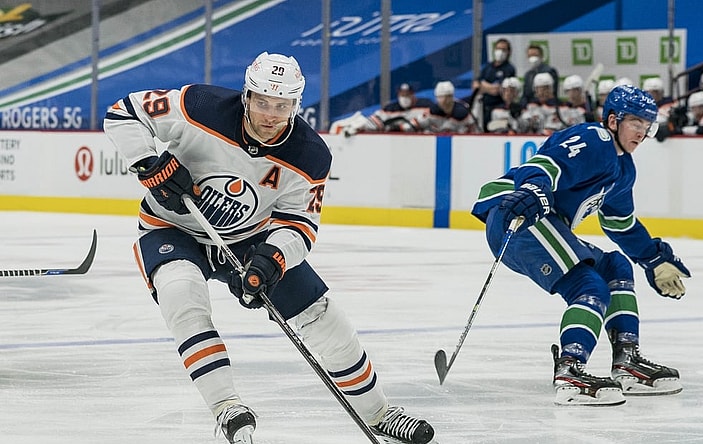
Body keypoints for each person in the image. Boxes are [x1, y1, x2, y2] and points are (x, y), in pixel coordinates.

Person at [103, 52, 435, 444]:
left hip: (249, 238)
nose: (270, 115)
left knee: (323, 317)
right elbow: (122, 112)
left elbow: (300, 223)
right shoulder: (199, 105)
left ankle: (380, 412)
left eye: (282, 105)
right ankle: (227, 406)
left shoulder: (310, 155)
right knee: (181, 294)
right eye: (262, 102)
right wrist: (150, 163)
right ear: (246, 96)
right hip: (172, 227)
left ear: (297, 104)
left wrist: (273, 258)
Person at [470, 85, 690, 406]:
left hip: (547, 221)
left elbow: (621, 225)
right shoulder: (595, 139)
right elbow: (545, 164)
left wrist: (654, 259)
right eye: (636, 124)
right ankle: (571, 370)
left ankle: (626, 360)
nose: (642, 133)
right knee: (588, 286)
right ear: (613, 121)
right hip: (519, 214)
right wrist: (536, 188)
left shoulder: (624, 169)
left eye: (647, 126)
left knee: (615, 266)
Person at [334, 82, 433, 136]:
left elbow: (429, 120)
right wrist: (359, 126)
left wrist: (402, 127)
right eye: (402, 95)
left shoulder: (425, 105)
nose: (404, 98)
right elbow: (376, 120)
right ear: (398, 95)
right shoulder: (390, 108)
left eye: (407, 95)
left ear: (413, 95)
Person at [473, 38, 517, 132]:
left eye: (503, 49)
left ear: (509, 52)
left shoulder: (509, 68)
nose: (500, 52)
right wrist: (486, 87)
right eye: (498, 48)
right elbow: (476, 85)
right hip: (484, 108)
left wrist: (483, 86)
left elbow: (498, 90)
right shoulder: (488, 66)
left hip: (499, 109)